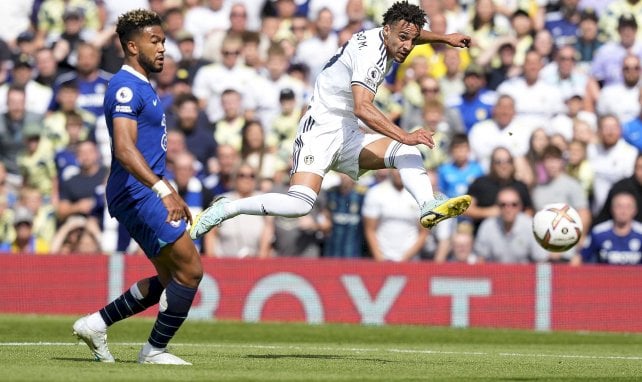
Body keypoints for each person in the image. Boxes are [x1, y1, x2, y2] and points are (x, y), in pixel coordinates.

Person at [190, 2, 472, 240]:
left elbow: (412, 31)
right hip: (320, 130)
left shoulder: (389, 35)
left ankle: (427, 206)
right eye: (403, 38)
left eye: (412, 39)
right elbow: (363, 107)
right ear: (387, 30)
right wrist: (404, 134)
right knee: (300, 204)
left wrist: (444, 39)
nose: (408, 45)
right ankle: (229, 208)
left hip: (347, 131)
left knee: (406, 153)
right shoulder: (368, 56)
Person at [72, 9, 202, 366]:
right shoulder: (126, 86)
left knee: (170, 276)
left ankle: (96, 324)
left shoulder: (143, 84)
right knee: (190, 271)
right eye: (154, 41)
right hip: (137, 191)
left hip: (142, 190)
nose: (162, 48)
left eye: (163, 40)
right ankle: (154, 350)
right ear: (131, 46)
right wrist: (164, 189)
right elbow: (126, 150)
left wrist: (166, 186)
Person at [579, 191, 642, 265]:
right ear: (612, 209)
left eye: (628, 207)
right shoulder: (598, 232)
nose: (623, 211)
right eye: (619, 206)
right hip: (604, 276)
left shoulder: (640, 232)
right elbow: (580, 259)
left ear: (635, 210)